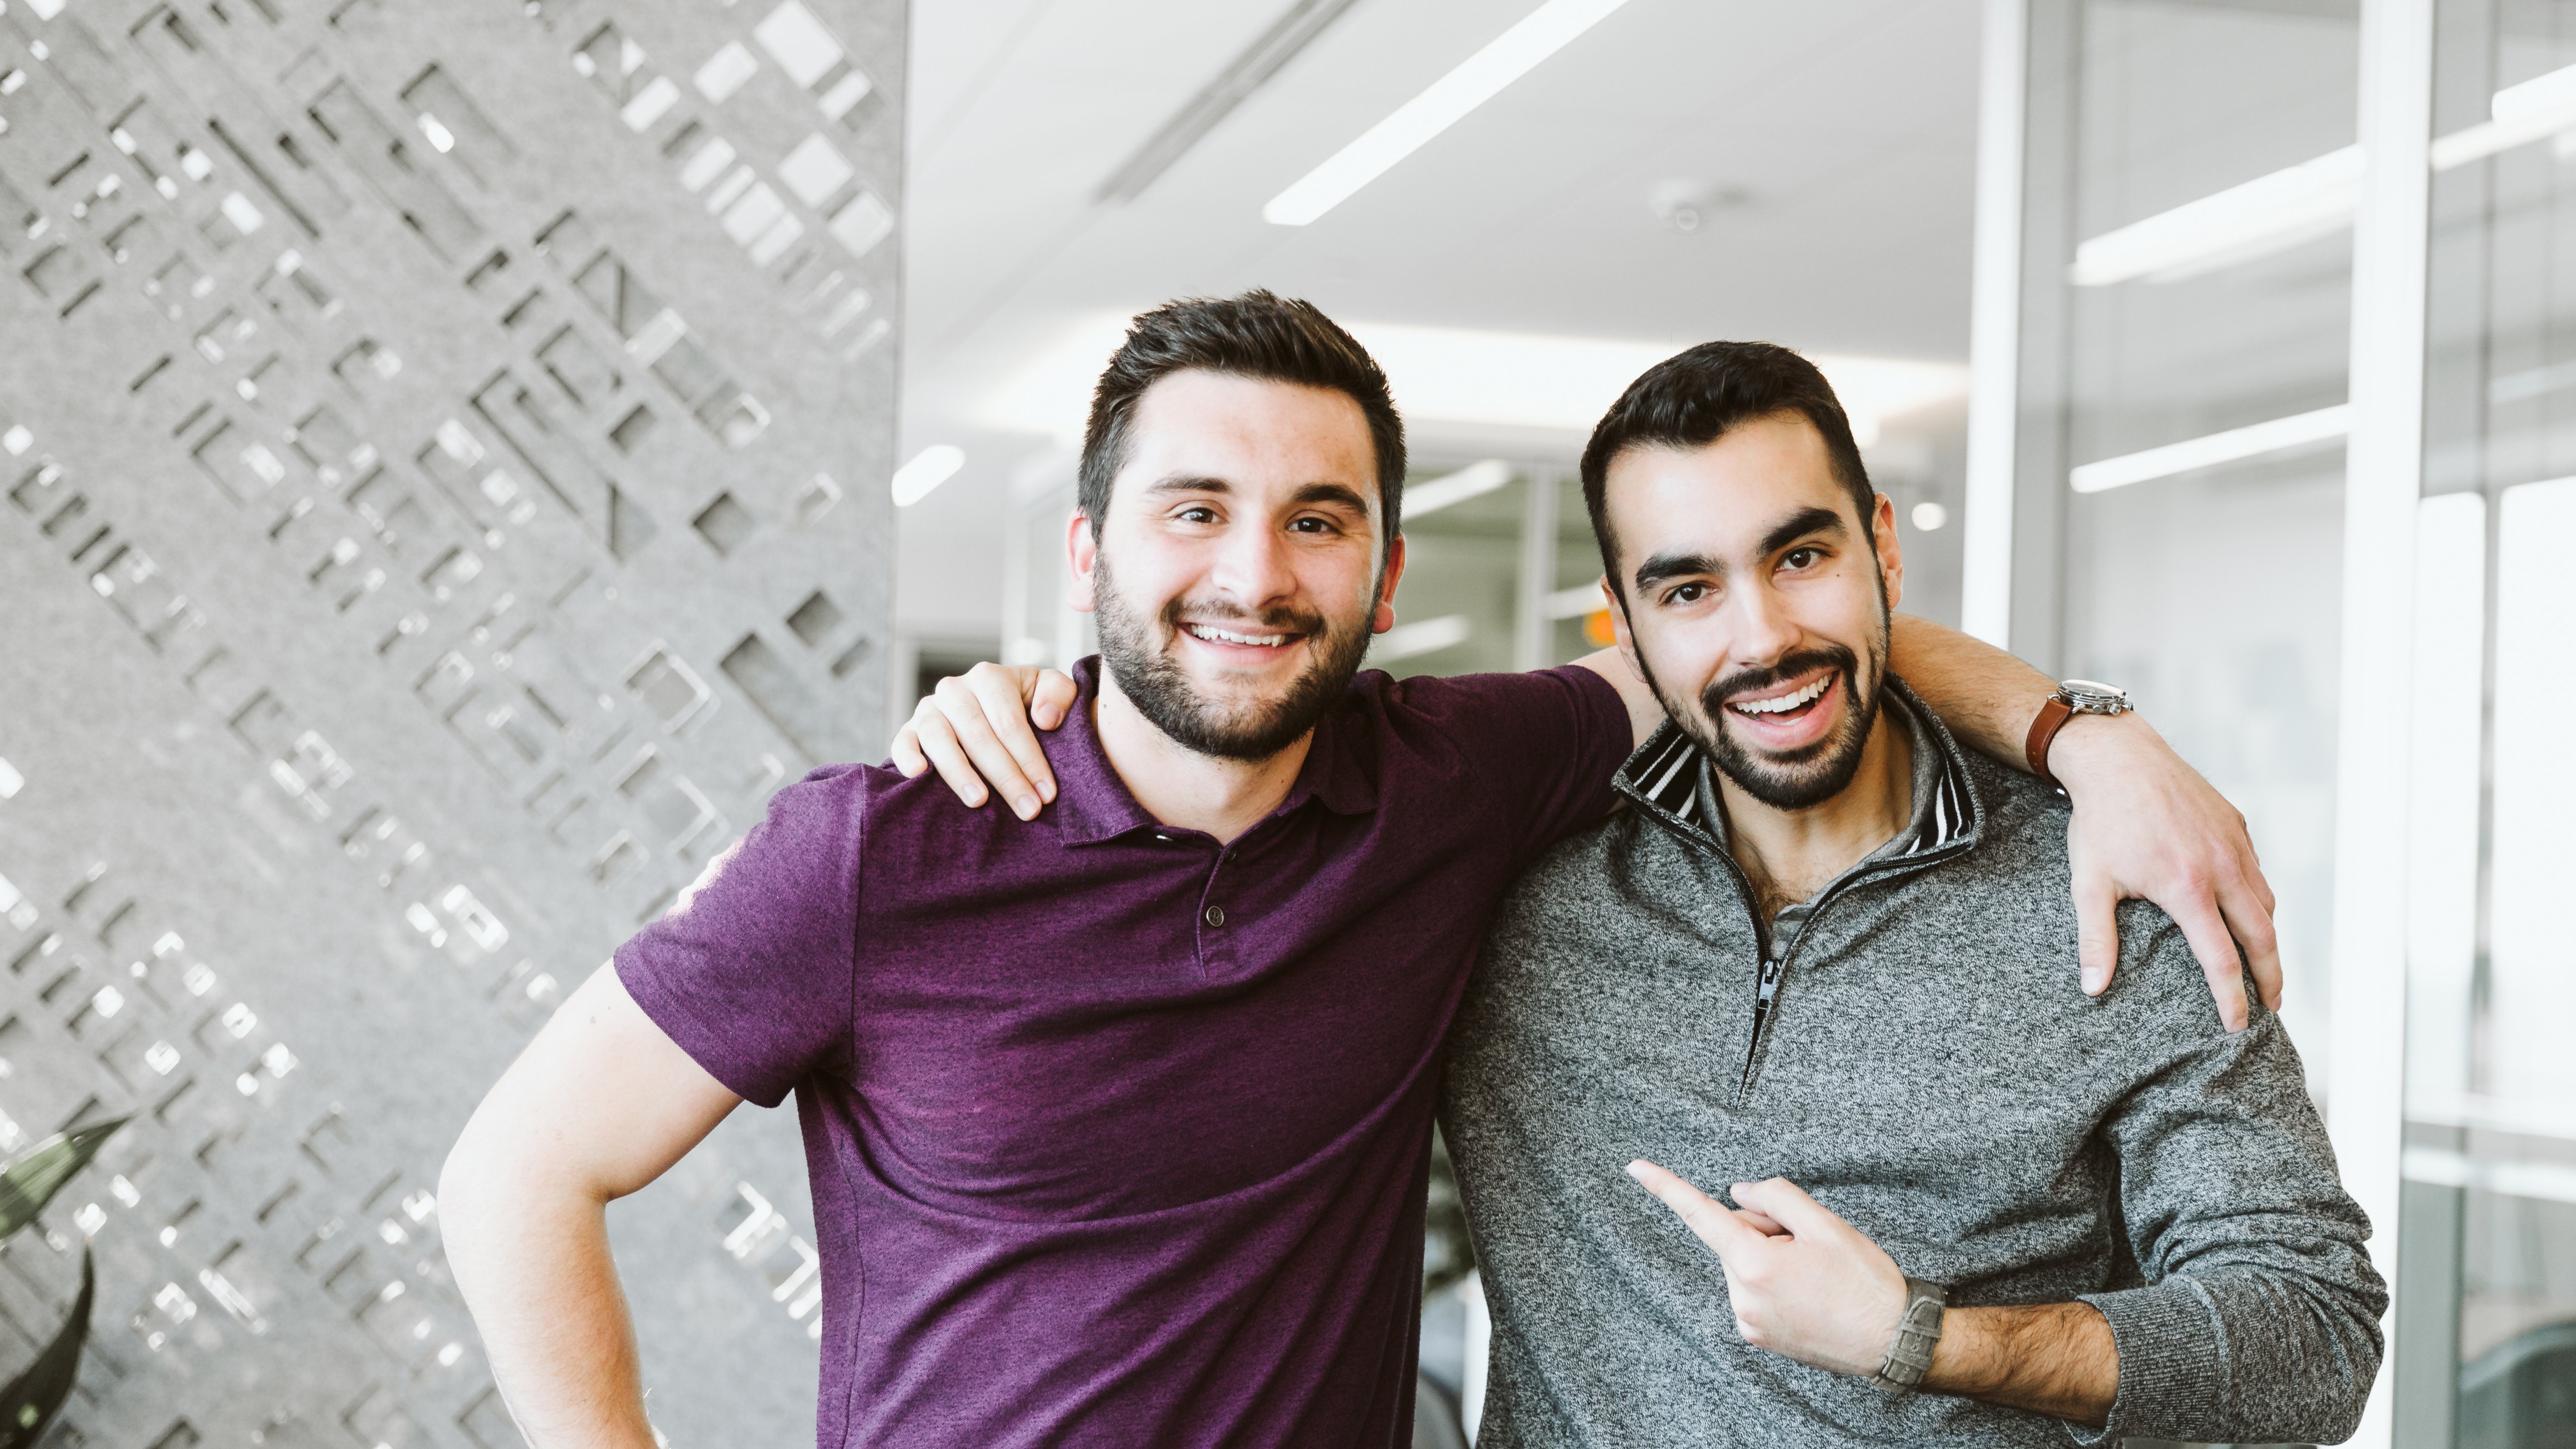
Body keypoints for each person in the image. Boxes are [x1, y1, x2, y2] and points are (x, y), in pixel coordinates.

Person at [440, 291, 2278, 1449]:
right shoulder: (886, 848)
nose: (1254, 574)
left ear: (1386, 580)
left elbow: (1755, 636)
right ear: (1087, 554)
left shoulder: (1454, 787)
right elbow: (518, 1174)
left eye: (1318, 521)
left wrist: (2087, 738)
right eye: (1195, 512)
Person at [1438, 342, 2383, 1446]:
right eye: (1688, 588)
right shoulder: (1506, 872)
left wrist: (1926, 1341)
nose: (1764, 637)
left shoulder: (2110, 885)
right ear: (1624, 621)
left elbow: (2316, 1336)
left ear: (1881, 547)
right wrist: (2081, 730)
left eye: (1800, 556)